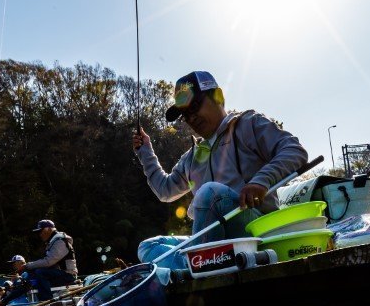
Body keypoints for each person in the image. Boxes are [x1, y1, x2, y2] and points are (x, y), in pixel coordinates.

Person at [132, 70, 308, 242]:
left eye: (194, 106)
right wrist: (145, 152)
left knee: (210, 193)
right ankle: (201, 258)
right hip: (215, 239)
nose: (191, 118)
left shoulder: (248, 124)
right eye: (184, 115)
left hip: (258, 230)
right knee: (150, 246)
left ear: (218, 96)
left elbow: (294, 150)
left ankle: (202, 262)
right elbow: (165, 191)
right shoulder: (191, 156)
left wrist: (261, 180)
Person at [0, 220, 78, 306]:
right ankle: (4, 302)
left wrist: (27, 266)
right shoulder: (52, 242)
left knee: (40, 272)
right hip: (57, 275)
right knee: (30, 278)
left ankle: (46, 301)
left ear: (48, 229)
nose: (40, 234)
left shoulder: (60, 241)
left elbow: (48, 262)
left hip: (68, 275)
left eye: (41, 231)